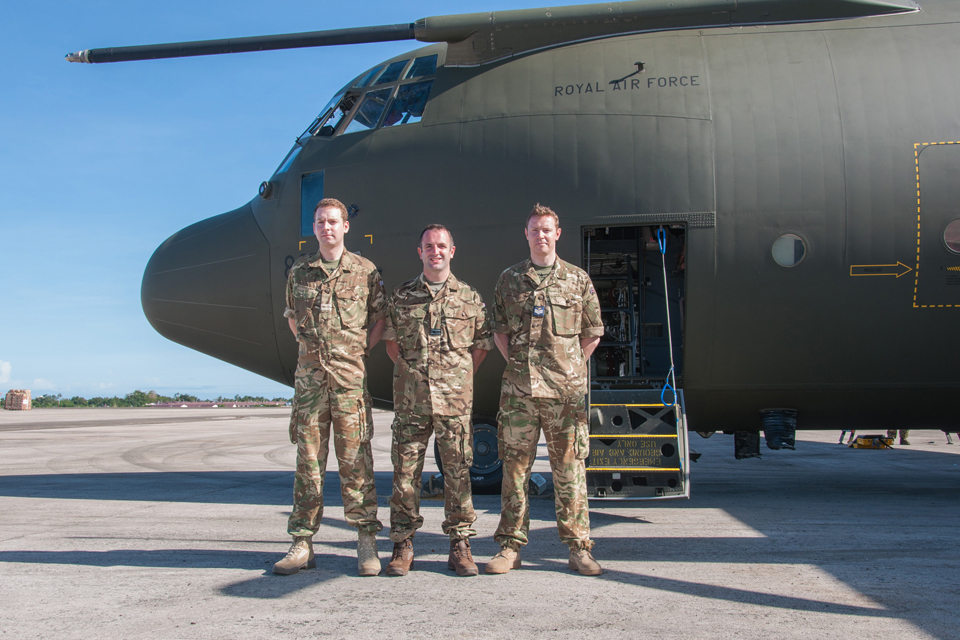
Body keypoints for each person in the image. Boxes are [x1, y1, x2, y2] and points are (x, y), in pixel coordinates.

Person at [485, 203, 605, 576]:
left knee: (569, 470)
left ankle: (578, 548)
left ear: (557, 234)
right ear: (526, 234)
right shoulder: (509, 280)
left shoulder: (577, 280)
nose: (540, 235)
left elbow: (593, 333)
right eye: (534, 230)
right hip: (519, 394)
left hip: (565, 396)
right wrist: (521, 367)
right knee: (515, 471)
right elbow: (499, 332)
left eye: (546, 230)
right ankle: (509, 548)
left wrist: (569, 368)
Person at [274, 197, 386, 577]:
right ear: (315, 227)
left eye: (333, 221)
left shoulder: (365, 271)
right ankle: (302, 542)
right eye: (320, 221)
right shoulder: (300, 271)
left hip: (350, 383)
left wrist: (355, 352)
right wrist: (311, 351)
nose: (327, 227)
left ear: (345, 227)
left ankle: (366, 541)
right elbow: (292, 317)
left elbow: (379, 320)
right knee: (308, 463)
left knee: (356, 462)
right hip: (309, 385)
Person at [382, 224, 492, 577]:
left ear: (452, 251)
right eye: (428, 246)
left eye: (441, 245)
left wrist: (454, 378)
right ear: (420, 252)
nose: (435, 251)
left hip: (454, 404)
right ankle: (403, 545)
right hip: (412, 401)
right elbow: (391, 344)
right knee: (405, 475)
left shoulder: (470, 298)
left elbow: (481, 347)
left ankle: (460, 545)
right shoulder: (401, 296)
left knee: (458, 474)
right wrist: (417, 376)